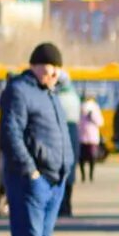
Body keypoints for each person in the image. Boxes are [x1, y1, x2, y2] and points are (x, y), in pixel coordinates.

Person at [0, 44, 72, 236]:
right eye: (50, 67)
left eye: (57, 68)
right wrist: (31, 172)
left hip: (54, 180)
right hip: (32, 183)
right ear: (35, 65)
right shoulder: (19, 90)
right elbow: (10, 134)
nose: (55, 73)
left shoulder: (49, 93)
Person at [55, 75, 80, 217]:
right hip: (73, 135)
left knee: (61, 177)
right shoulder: (74, 96)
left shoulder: (57, 97)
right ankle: (67, 206)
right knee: (69, 176)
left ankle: (62, 206)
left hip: (61, 135)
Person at [77, 95, 104, 182]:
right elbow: (100, 122)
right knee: (84, 158)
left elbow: (99, 122)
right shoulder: (81, 109)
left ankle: (90, 175)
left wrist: (92, 115)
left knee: (89, 157)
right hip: (86, 137)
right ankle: (84, 175)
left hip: (89, 137)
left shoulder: (93, 110)